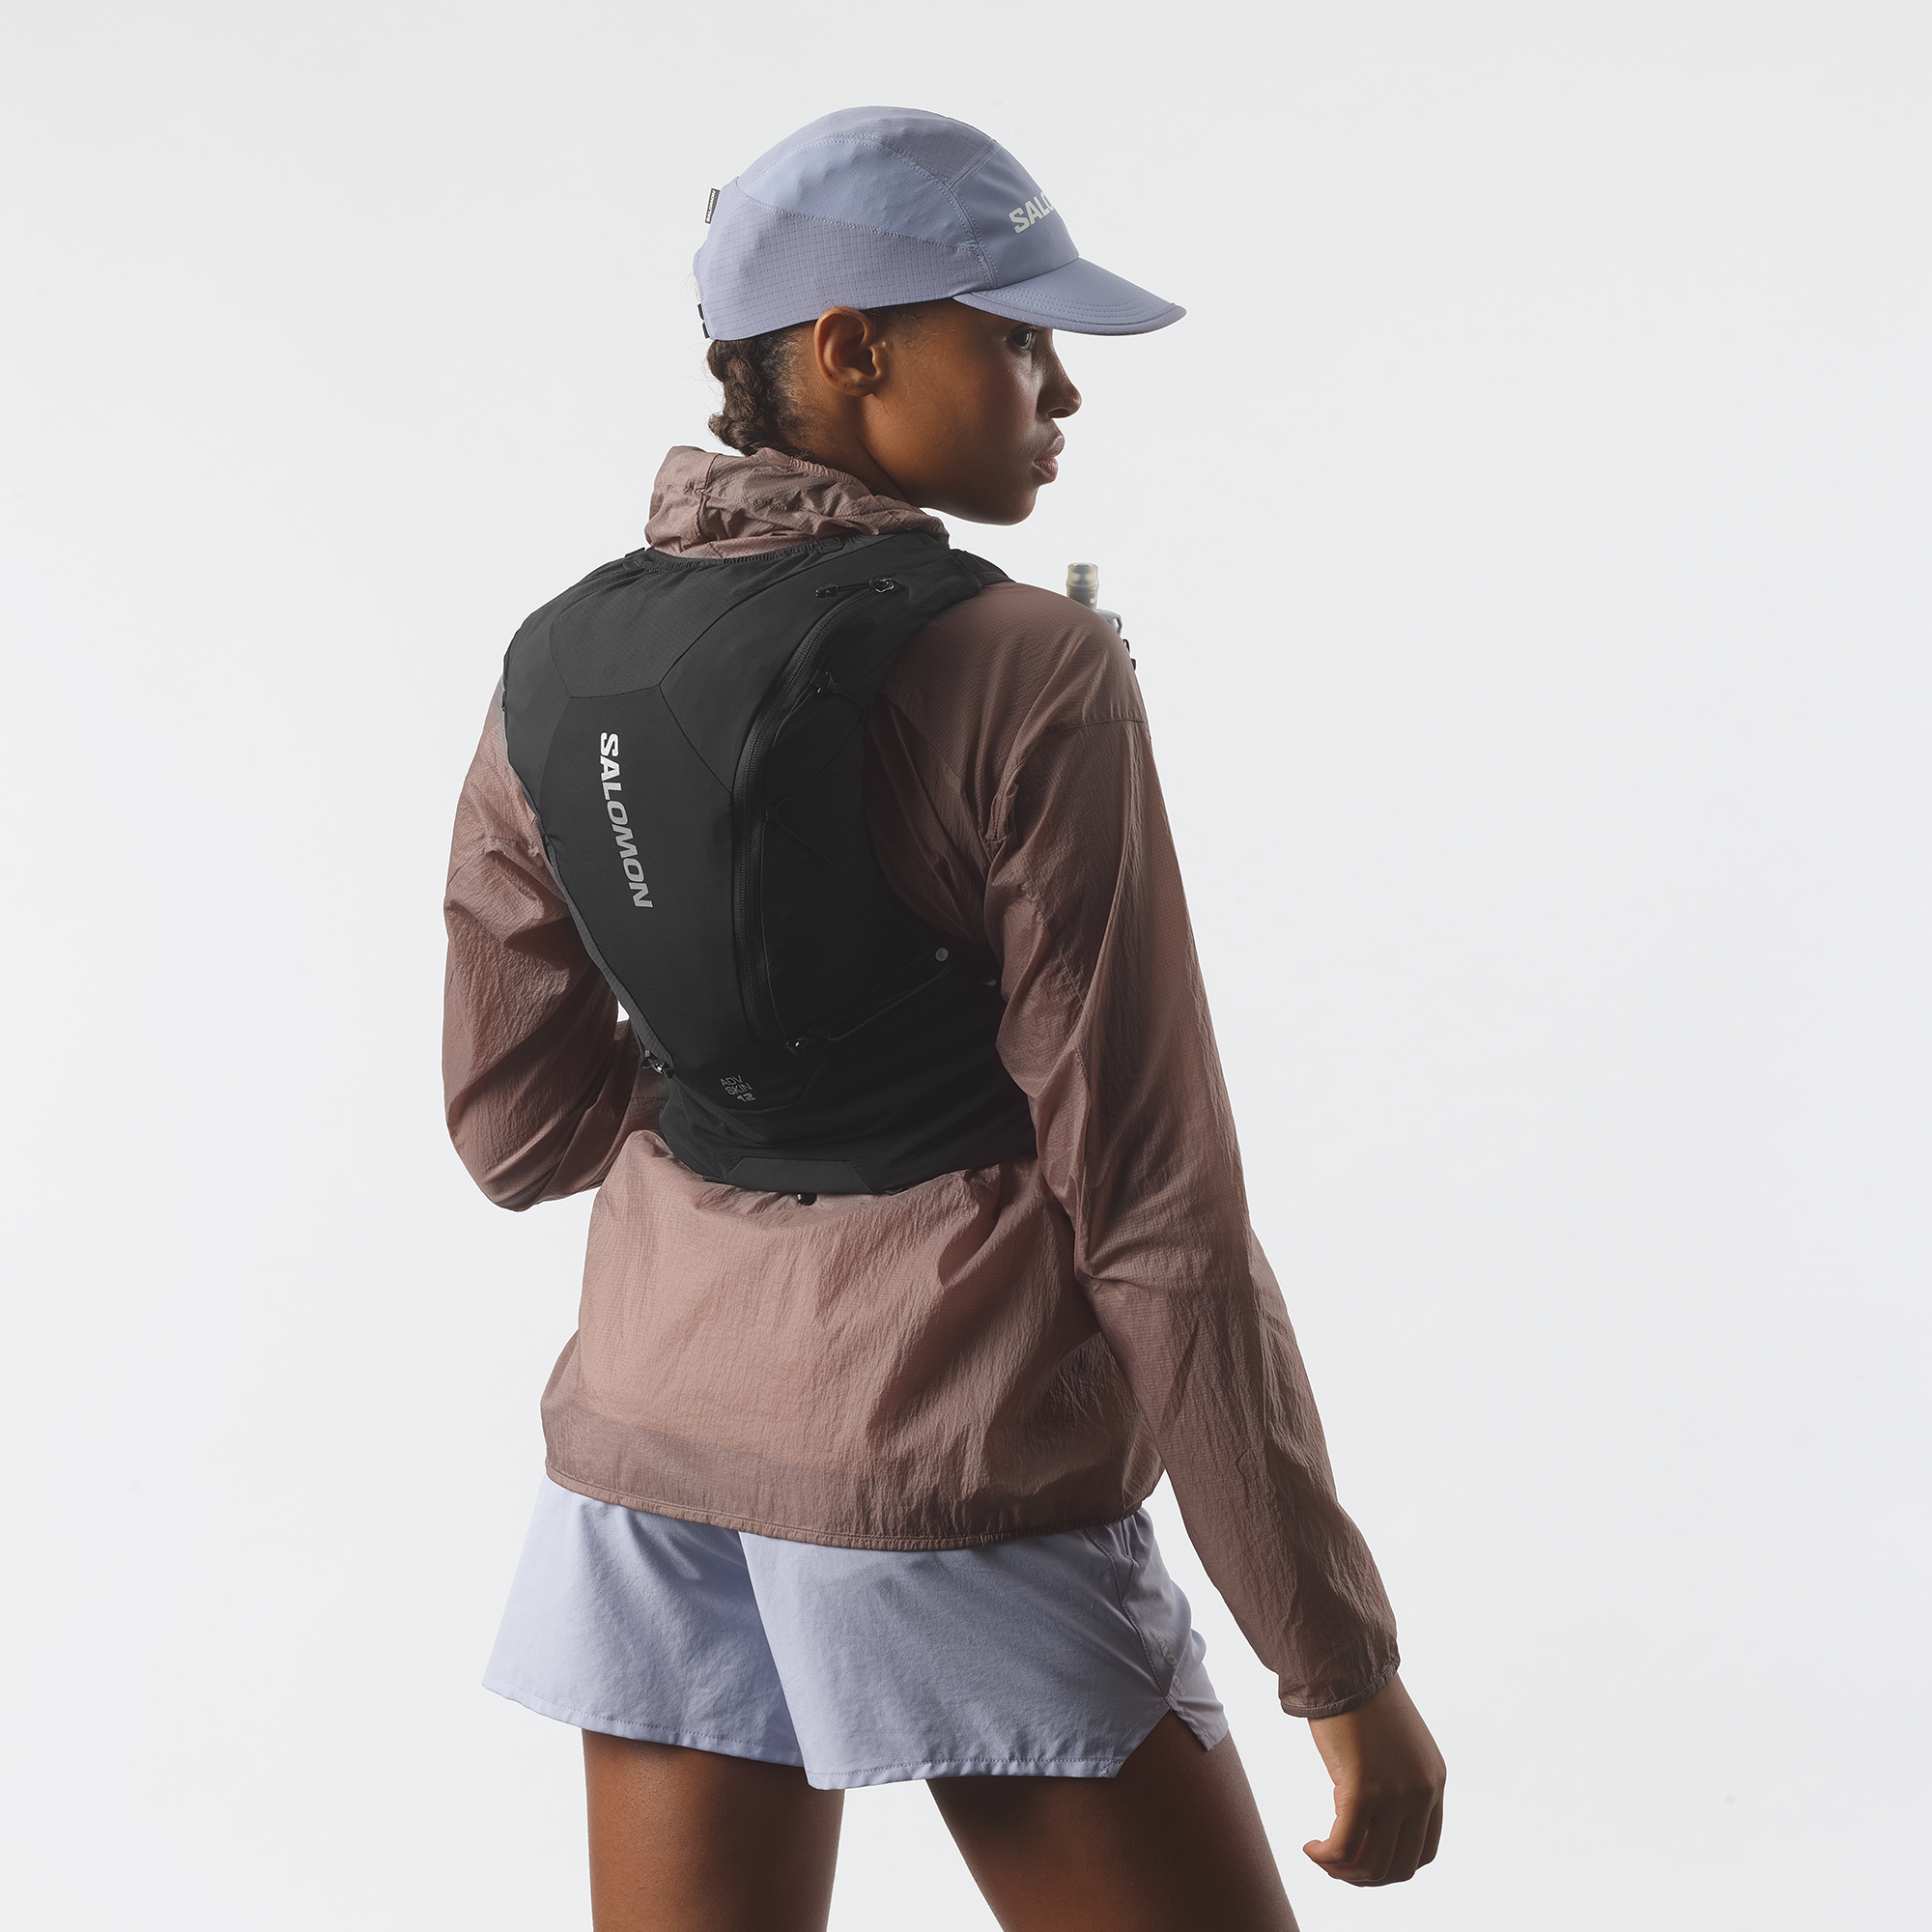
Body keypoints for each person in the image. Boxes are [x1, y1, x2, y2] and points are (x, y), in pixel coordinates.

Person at [442, 107, 1445, 1932]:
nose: (1062, 390)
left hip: (645, 1461)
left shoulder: (555, 659)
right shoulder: (1031, 666)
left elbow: (514, 1130)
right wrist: (1336, 1663)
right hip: (945, 1456)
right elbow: (1155, 1214)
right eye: (1016, 337)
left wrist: (739, 1048)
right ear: (850, 346)